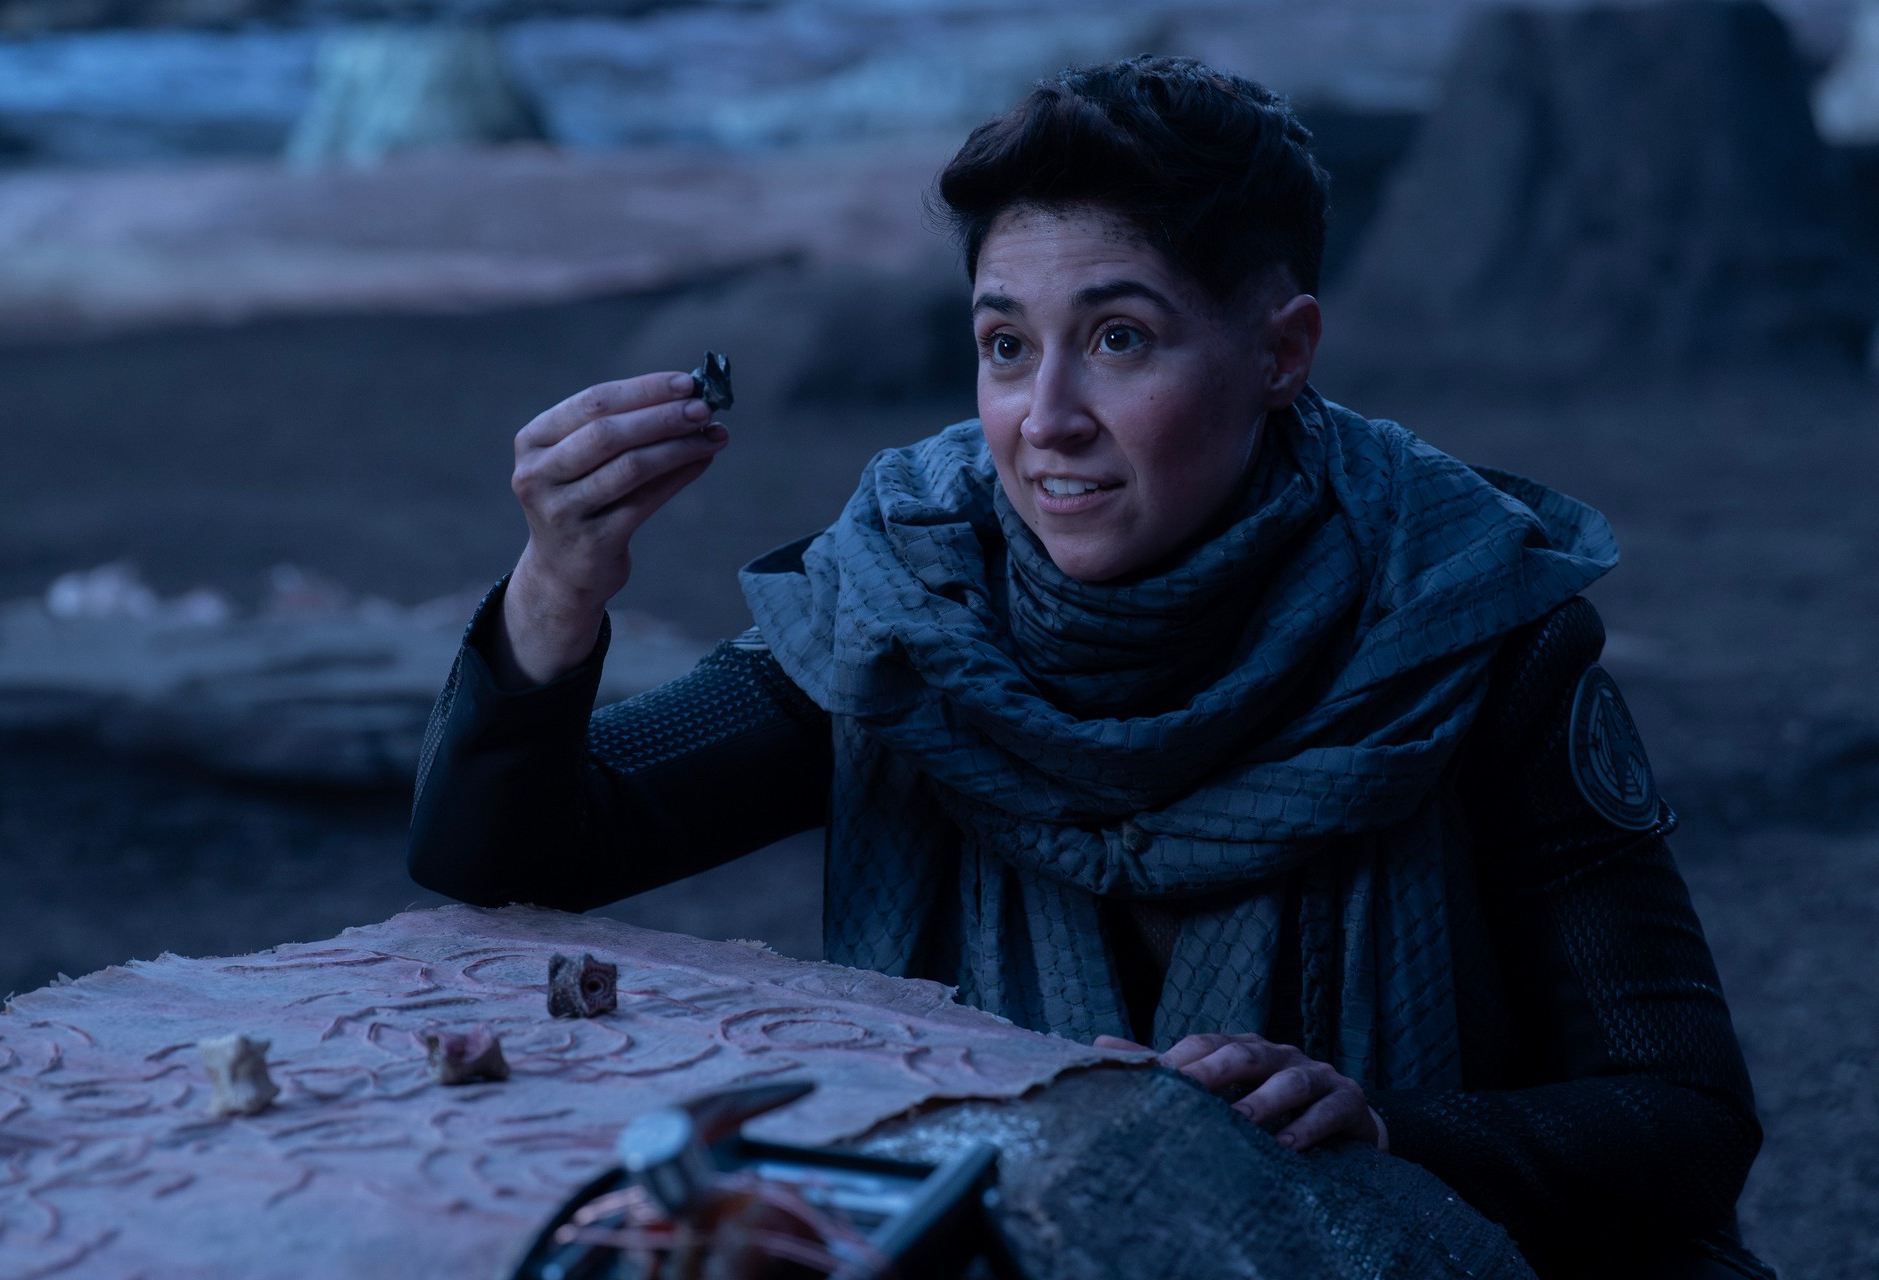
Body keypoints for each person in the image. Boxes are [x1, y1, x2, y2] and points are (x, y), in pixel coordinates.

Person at [410, 56, 1769, 1279]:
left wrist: (1387, 1130)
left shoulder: (1474, 623)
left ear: (1281, 352)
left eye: (1120, 339)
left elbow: (1684, 1118)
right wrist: (561, 578)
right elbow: (511, 852)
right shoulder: (906, 603)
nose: (1044, 420)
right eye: (1006, 347)